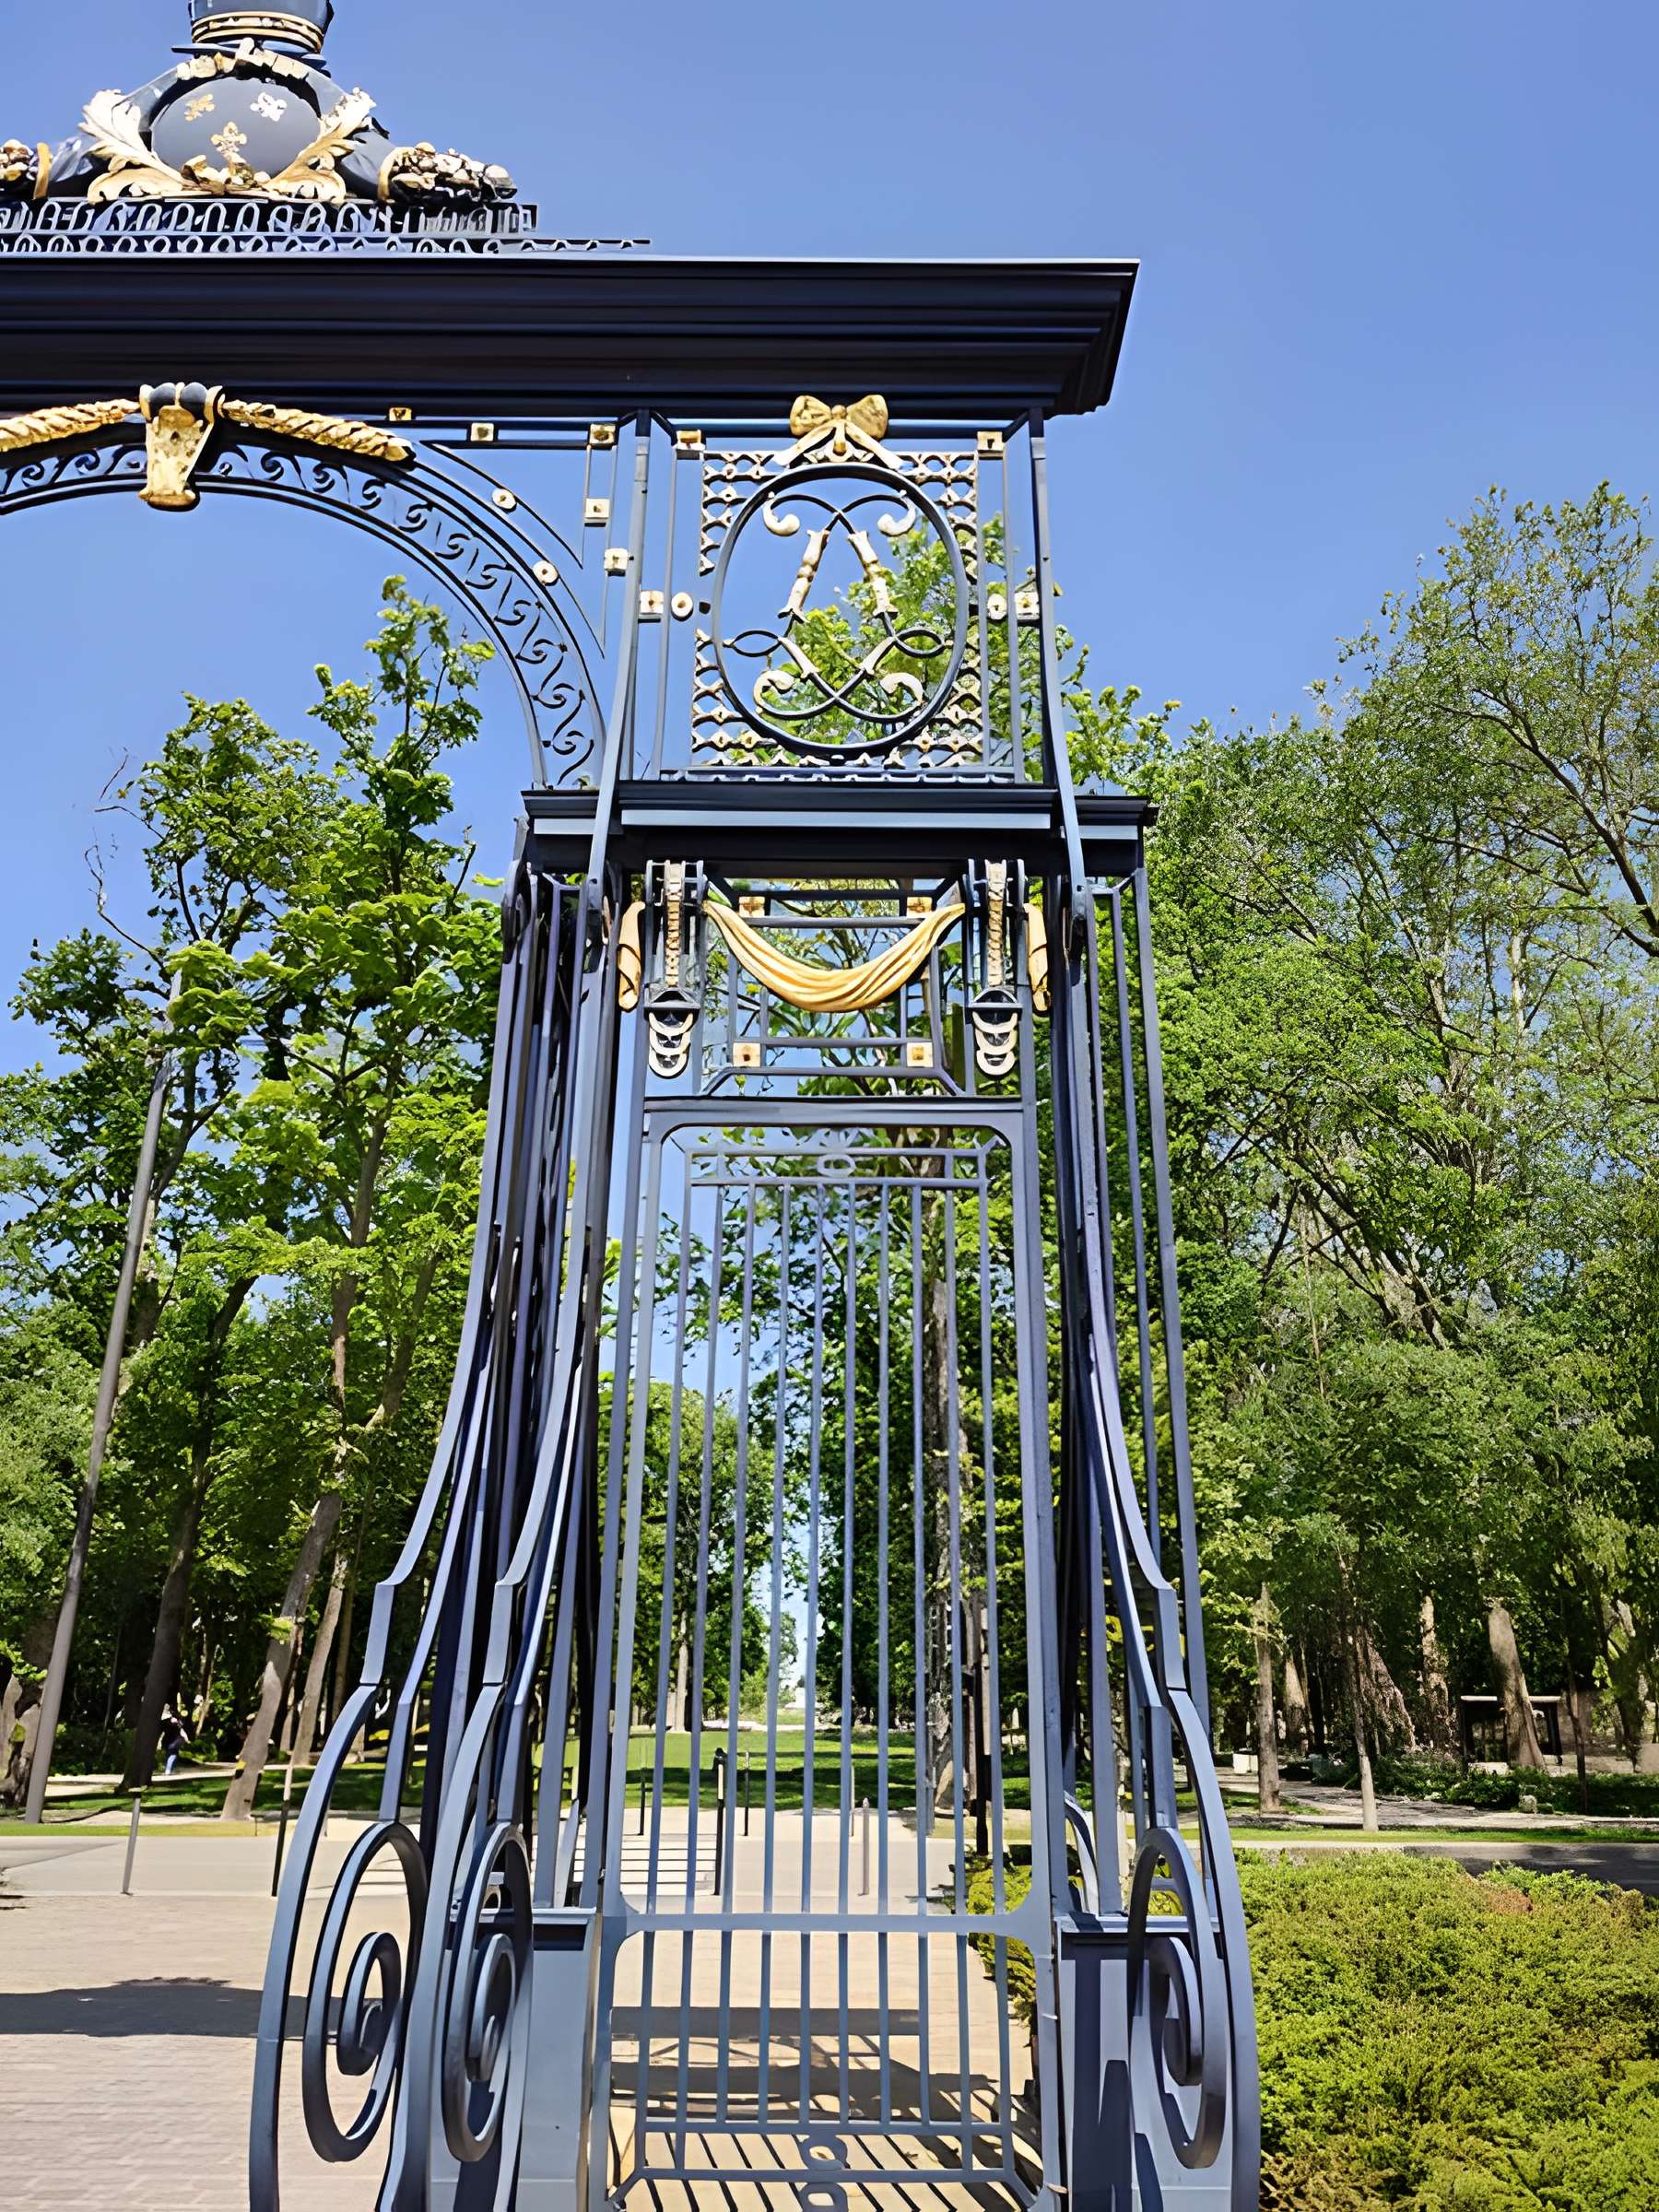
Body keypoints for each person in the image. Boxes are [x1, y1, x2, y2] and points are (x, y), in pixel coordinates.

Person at [160, 1702, 190, 1777]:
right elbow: (181, 1729)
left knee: (169, 1754)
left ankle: (168, 1769)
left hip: (166, 1740)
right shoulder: (175, 1721)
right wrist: (186, 1738)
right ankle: (168, 1769)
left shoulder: (162, 1722)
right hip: (174, 1740)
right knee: (173, 1754)